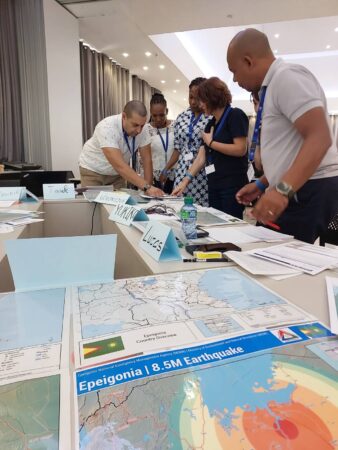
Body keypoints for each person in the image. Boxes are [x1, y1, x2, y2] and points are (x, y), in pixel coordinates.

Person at [227, 28, 338, 243]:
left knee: (287, 264)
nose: (234, 79)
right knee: (266, 251)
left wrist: (282, 190)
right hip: (299, 187)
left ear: (248, 61)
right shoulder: (272, 86)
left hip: (310, 189)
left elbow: (320, 138)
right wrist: (262, 183)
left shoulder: (286, 77)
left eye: (234, 71)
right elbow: (289, 149)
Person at [172, 77, 249, 218]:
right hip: (213, 183)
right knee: (216, 223)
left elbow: (240, 149)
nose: (200, 105)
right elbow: (201, 157)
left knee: (230, 226)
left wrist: (212, 143)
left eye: (202, 100)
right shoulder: (211, 124)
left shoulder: (235, 115)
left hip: (231, 184)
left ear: (211, 99)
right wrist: (184, 181)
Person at [79, 100, 164, 197]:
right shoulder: (106, 127)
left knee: (119, 206)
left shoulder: (142, 129)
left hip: (117, 175)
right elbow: (119, 165)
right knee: (93, 207)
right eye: (135, 125)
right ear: (124, 116)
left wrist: (148, 189)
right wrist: (147, 187)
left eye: (142, 125)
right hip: (93, 171)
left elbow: (147, 160)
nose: (139, 130)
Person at [160, 77, 210, 206]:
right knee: (179, 207)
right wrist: (166, 168)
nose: (193, 102)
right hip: (182, 170)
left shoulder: (211, 117)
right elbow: (178, 148)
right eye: (190, 97)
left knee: (199, 209)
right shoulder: (182, 117)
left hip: (202, 172)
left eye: (197, 98)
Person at [144, 93, 175, 193]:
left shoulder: (176, 126)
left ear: (167, 111)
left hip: (174, 175)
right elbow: (143, 158)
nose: (158, 119)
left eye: (162, 115)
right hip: (153, 177)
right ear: (150, 112)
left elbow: (179, 150)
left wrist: (166, 170)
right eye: (154, 115)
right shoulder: (146, 129)